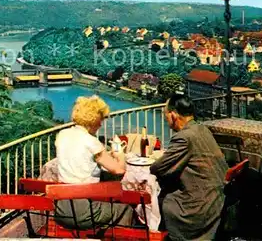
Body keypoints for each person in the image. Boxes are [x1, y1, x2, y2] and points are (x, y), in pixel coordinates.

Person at [150, 94, 229, 241]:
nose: (166, 120)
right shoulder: (201, 128)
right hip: (219, 199)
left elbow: (157, 168)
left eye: (165, 115)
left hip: (200, 207)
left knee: (161, 200)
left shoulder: (184, 137)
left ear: (173, 115)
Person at [54, 95, 133, 230]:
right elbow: (119, 170)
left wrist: (106, 154)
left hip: (61, 210)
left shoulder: (62, 134)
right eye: (101, 119)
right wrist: (120, 153)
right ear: (94, 119)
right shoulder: (91, 142)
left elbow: (82, 157)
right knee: (125, 209)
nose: (101, 124)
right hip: (83, 212)